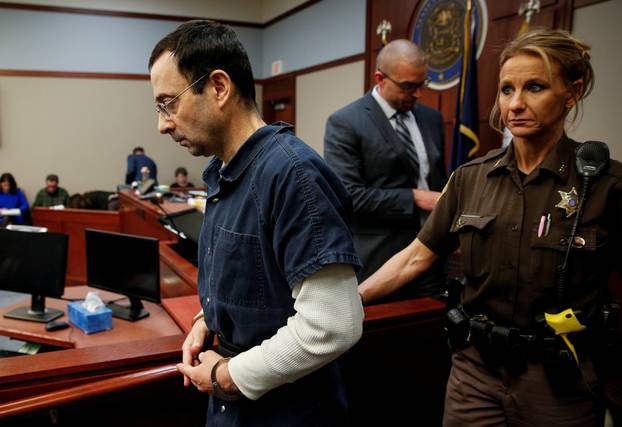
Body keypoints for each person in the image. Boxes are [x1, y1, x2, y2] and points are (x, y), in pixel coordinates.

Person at [358, 28, 622, 426]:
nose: (515, 104)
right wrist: (349, 298)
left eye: (534, 87)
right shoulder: (470, 178)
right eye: (506, 90)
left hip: (559, 381)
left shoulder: (606, 186)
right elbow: (415, 257)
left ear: (572, 92)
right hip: (475, 374)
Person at [149, 20, 364, 426]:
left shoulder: (293, 174)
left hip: (288, 412)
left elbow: (334, 324)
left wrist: (226, 375)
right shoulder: (223, 170)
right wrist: (205, 320)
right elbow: (255, 279)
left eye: (168, 103)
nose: (162, 124)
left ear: (218, 87)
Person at [324, 39, 447, 302]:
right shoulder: (345, 122)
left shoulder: (431, 118)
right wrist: (414, 197)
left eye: (421, 84)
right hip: (379, 260)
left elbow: (438, 178)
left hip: (433, 254)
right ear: (380, 78)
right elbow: (349, 196)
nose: (417, 94)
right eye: (408, 86)